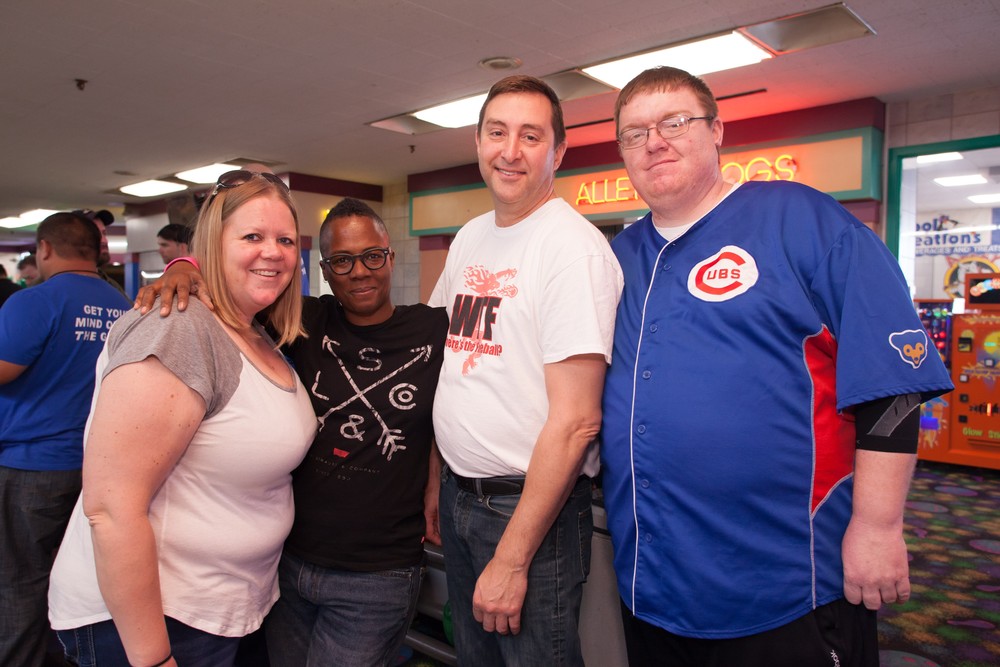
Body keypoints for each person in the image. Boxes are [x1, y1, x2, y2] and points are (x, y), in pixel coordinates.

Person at [600, 66, 954, 667]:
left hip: (786, 578)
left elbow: (893, 387)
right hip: (651, 578)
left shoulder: (802, 220)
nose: (654, 142)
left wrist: (878, 526)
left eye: (674, 123)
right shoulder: (617, 257)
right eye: (635, 134)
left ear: (717, 131)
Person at [136, 197, 449, 666]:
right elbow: (231, 284)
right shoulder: (302, 321)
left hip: (379, 573)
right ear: (325, 270)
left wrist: (436, 472)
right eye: (342, 261)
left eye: (372, 256)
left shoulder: (434, 329)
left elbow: (458, 411)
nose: (359, 272)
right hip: (288, 565)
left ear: (389, 256)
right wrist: (184, 266)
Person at [48, 171, 318, 667]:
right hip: (157, 620)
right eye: (252, 236)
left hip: (227, 609)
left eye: (285, 240)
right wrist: (152, 658)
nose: (273, 252)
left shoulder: (255, 330)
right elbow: (111, 509)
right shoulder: (178, 327)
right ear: (212, 245)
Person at [427, 75, 623, 666]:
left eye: (530, 136)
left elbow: (577, 421)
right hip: (461, 495)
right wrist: (437, 481)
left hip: (525, 513)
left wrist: (512, 560)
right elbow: (449, 363)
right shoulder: (470, 236)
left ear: (557, 152)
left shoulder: (572, 249)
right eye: (497, 133)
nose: (510, 151)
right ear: (478, 142)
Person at [0, 211, 130, 667]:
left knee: (19, 580)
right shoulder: (125, 305)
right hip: (101, 467)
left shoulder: (34, 301)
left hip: (32, 464)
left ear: (45, 249)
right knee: (89, 580)